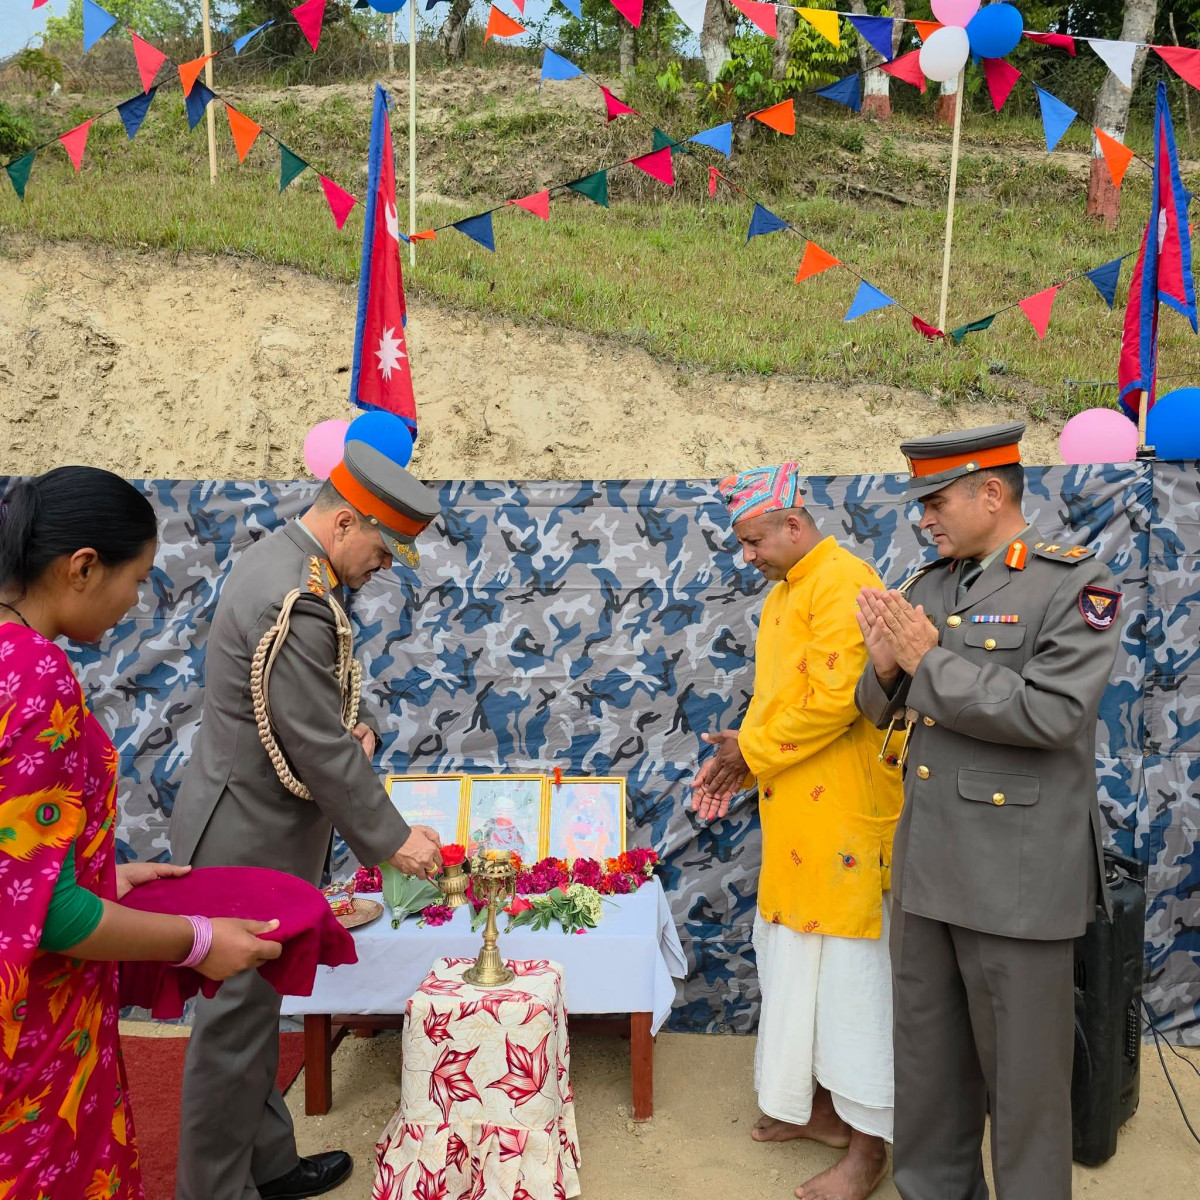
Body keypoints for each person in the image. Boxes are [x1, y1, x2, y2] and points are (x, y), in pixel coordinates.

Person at [170, 424, 446, 1200]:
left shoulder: (292, 566)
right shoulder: (299, 593)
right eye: (383, 551)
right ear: (346, 521)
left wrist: (347, 727)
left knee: (254, 1016)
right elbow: (318, 748)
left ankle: (268, 1163)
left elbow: (304, 715)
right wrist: (392, 842)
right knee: (231, 1032)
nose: (383, 568)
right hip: (244, 836)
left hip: (254, 825)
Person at [853, 423, 1122, 1200]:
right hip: (929, 873)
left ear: (991, 492)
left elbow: (1053, 715)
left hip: (1018, 885)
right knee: (930, 1078)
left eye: (933, 502)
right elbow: (879, 709)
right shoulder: (930, 583)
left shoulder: (1074, 585)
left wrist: (927, 661)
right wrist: (883, 667)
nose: (923, 519)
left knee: (1027, 1093)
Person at [0, 467, 282, 1200]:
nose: (135, 603)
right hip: (29, 1027)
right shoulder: (35, 674)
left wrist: (100, 874)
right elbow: (53, 915)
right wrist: (198, 940)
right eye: (138, 578)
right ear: (83, 567)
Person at [691, 463, 904, 1200]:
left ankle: (868, 1150)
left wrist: (748, 752)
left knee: (853, 984)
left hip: (845, 815)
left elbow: (839, 700)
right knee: (796, 963)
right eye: (741, 543)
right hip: (798, 816)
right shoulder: (788, 591)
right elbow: (784, 697)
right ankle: (816, 1110)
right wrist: (743, 755)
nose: (746, 555)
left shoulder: (844, 581)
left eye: (753, 540)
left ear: (793, 522)